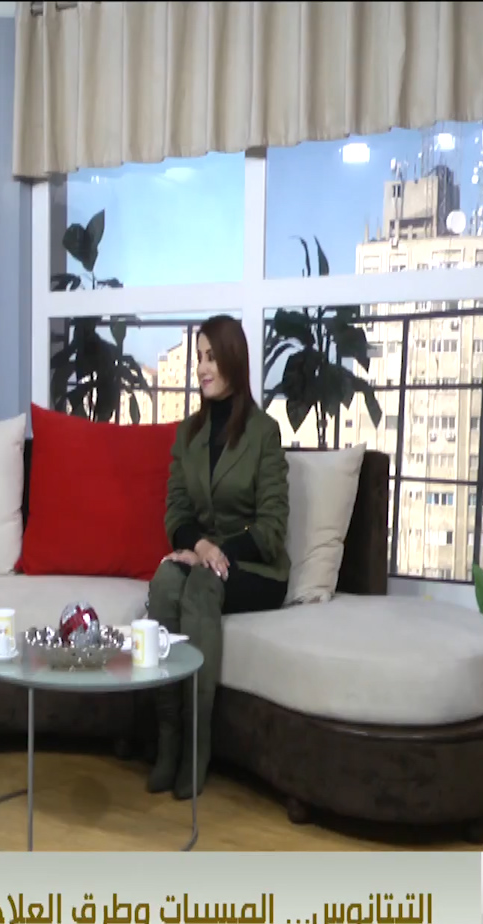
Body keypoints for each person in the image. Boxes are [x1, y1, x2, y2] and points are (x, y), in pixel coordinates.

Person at [146, 314, 290, 799]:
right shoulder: (188, 435)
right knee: (165, 583)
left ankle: (196, 745)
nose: (202, 368)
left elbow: (272, 528)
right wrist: (199, 547)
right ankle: (168, 738)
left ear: (233, 360)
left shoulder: (264, 433)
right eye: (199, 358)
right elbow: (176, 513)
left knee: (204, 584)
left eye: (211, 357)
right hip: (203, 557)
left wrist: (216, 552)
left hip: (257, 568)